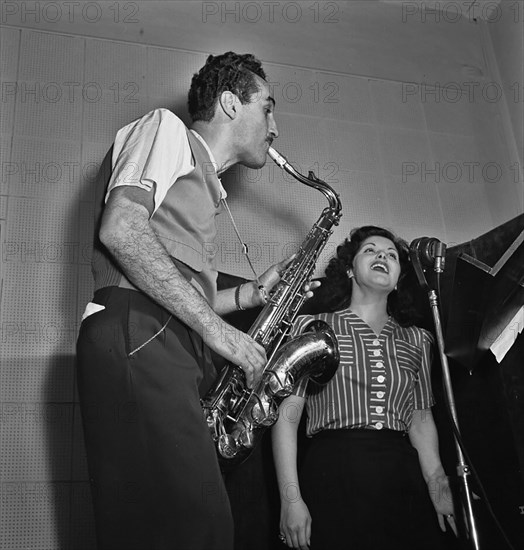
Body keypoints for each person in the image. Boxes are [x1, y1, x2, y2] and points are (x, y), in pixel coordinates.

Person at [76, 51, 289, 550]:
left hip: (159, 334)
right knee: (199, 529)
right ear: (232, 103)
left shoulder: (205, 187)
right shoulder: (166, 129)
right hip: (139, 332)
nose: (275, 127)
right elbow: (122, 228)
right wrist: (220, 335)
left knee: (177, 530)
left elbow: (177, 286)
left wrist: (251, 294)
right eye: (268, 108)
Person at [272, 226, 457, 550]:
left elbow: (421, 421)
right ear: (348, 268)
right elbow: (287, 417)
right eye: (370, 250)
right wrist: (291, 499)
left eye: (391, 255)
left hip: (400, 471)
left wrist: (438, 485)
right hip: (334, 468)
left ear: (399, 278)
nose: (382, 256)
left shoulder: (418, 339)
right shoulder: (313, 326)